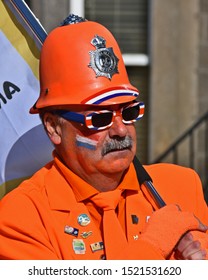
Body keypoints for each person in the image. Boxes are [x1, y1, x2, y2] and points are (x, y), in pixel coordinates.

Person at [0, 14, 208, 260]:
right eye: (100, 119)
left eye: (129, 112)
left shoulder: (181, 187)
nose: (121, 130)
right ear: (54, 127)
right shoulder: (21, 217)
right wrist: (153, 246)